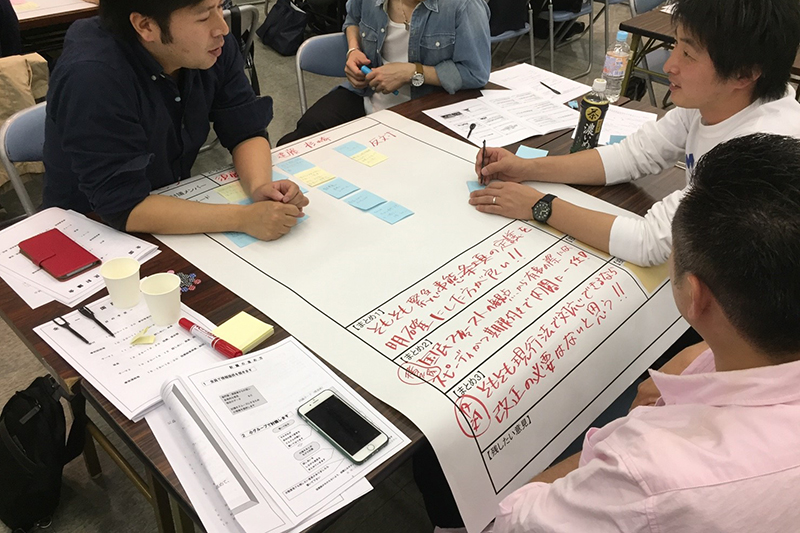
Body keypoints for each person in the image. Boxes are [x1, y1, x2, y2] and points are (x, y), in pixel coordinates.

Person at [492, 133, 800, 532]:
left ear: (695, 296)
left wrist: (618, 441)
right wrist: (704, 353)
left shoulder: (648, 474)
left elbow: (515, 520)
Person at [469, 0, 800, 267]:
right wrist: (526, 168)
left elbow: (649, 243)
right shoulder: (715, 100)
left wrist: (539, 205)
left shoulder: (759, 151)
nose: (669, 65)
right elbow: (633, 155)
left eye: (688, 54)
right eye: (675, 45)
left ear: (744, 74)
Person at [42, 0, 308, 241]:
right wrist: (243, 219)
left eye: (220, 7)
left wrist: (261, 187)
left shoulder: (210, 47)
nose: (222, 28)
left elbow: (245, 129)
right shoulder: (92, 77)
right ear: (146, 26)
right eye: (203, 17)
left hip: (171, 205)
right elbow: (122, 204)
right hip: (89, 229)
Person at [277, 0, 491, 146]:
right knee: (302, 136)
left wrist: (412, 72)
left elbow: (475, 72)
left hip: (425, 107)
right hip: (366, 94)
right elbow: (352, 20)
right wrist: (353, 50)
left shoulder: (464, 6)